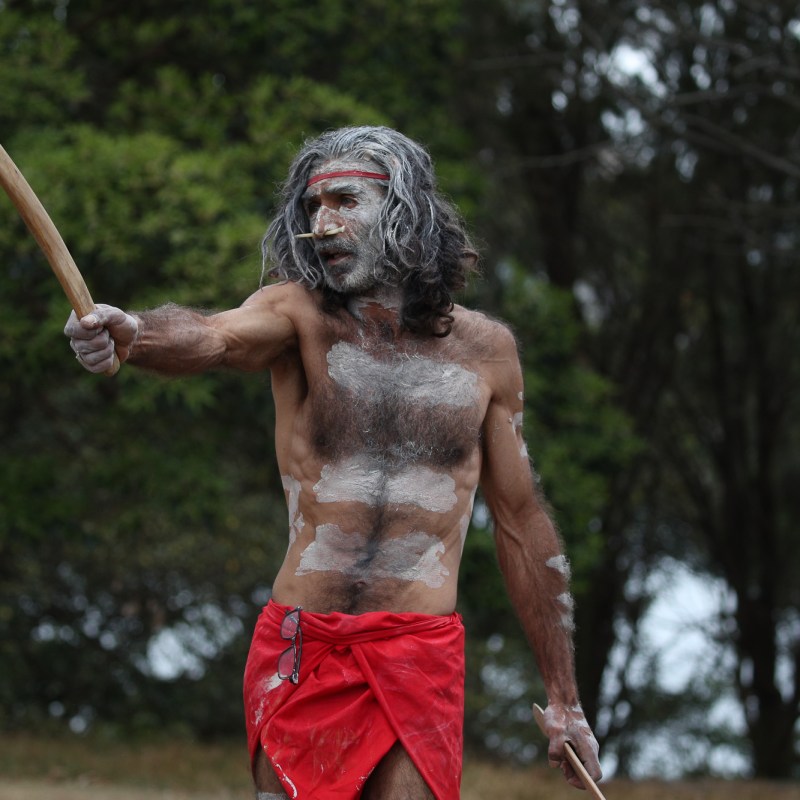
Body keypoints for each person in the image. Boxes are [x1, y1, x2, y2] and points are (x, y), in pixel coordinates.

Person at [64, 126, 602, 800]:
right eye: (312, 209)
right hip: (301, 648)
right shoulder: (300, 315)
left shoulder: (486, 351)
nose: (322, 225)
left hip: (417, 652)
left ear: (404, 209)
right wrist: (134, 333)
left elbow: (522, 524)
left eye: (345, 200)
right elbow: (211, 337)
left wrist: (565, 701)